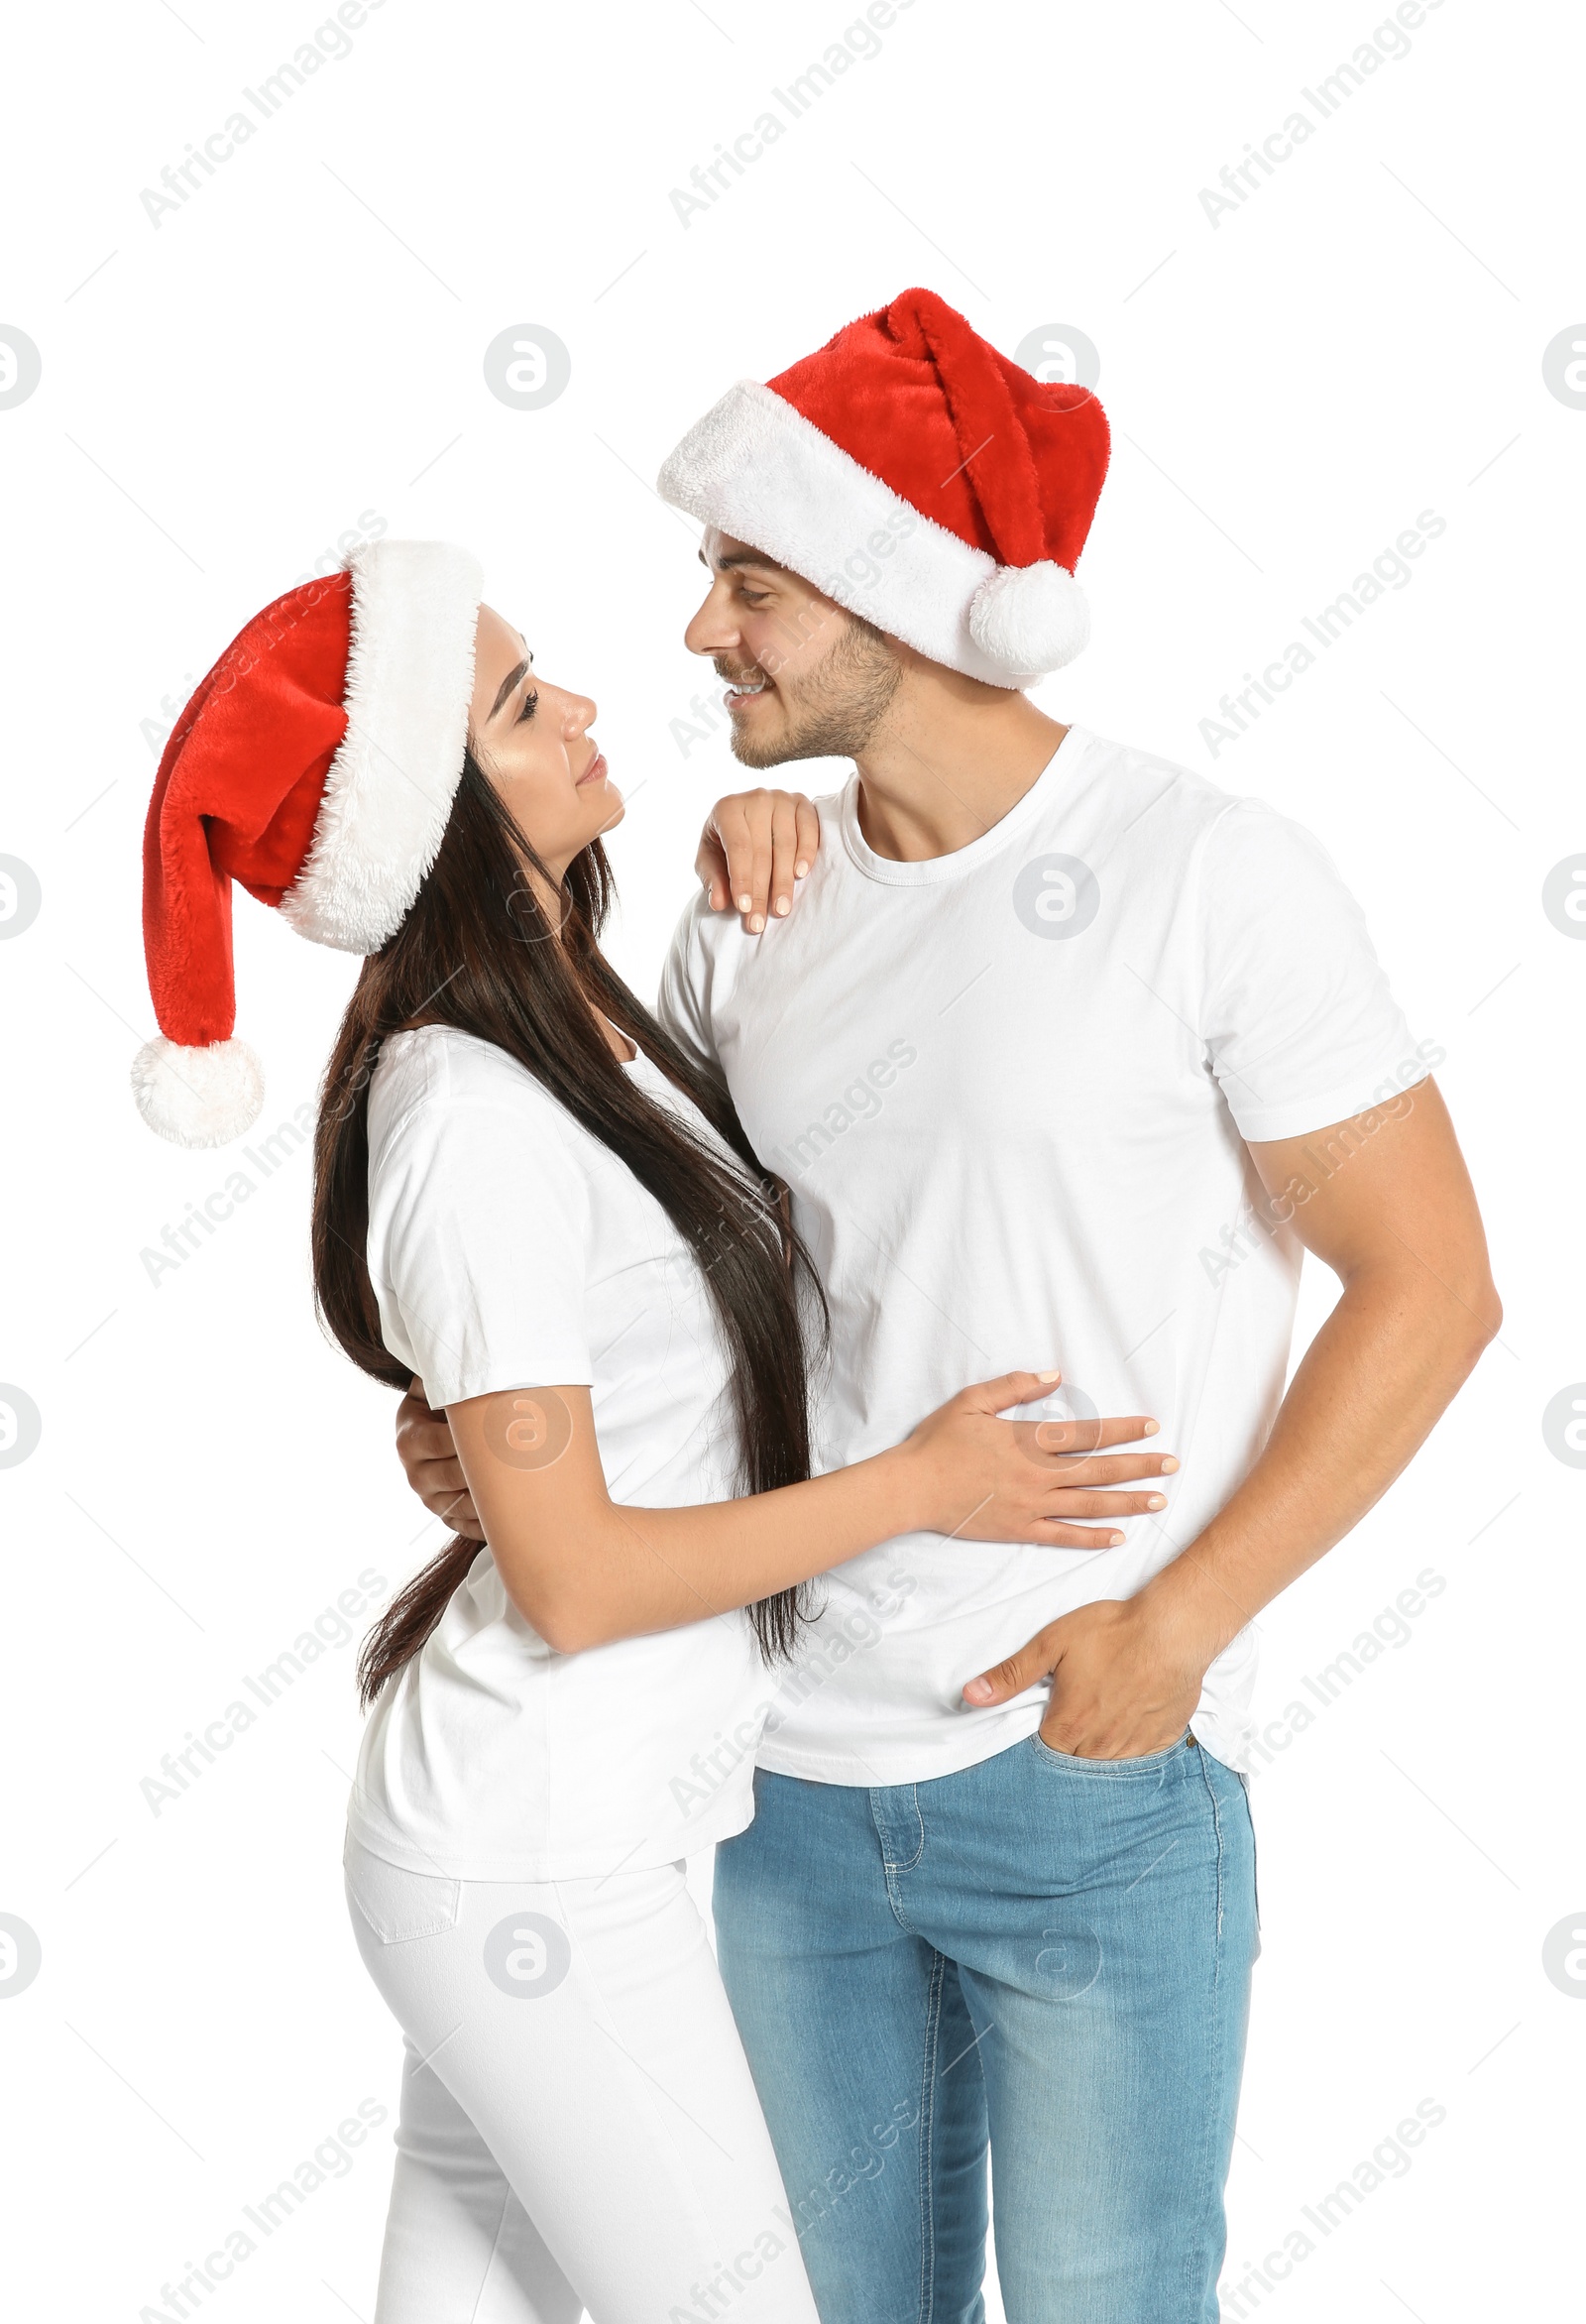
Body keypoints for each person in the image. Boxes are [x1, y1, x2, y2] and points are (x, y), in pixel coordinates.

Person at [397, 290, 1501, 2323]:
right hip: (769, 1791)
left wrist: (1172, 1630)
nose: (698, 636)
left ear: (900, 601)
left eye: (747, 584)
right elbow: (692, 1280)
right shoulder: (758, 906)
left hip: (1080, 1766)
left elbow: (1429, 1283)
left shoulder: (1205, 874)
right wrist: (481, 1427)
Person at [130, 537, 1180, 2324]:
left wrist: (768, 835)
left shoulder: (582, 1025)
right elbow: (587, 1586)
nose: (593, 706)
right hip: (534, 1860)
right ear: (435, 820)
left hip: (539, 1838)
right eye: (524, 708)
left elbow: (628, 1396)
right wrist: (919, 1485)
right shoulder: (466, 1102)